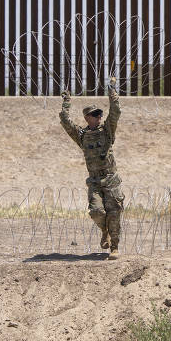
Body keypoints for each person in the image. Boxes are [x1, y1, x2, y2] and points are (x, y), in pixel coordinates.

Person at [60, 79, 124, 259]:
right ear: (87, 118)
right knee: (96, 212)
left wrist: (112, 90)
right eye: (95, 115)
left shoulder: (107, 131)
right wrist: (66, 102)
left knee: (114, 213)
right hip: (94, 181)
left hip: (110, 179)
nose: (99, 117)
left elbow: (115, 111)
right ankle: (104, 231)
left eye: (100, 114)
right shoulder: (82, 135)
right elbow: (65, 121)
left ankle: (114, 247)